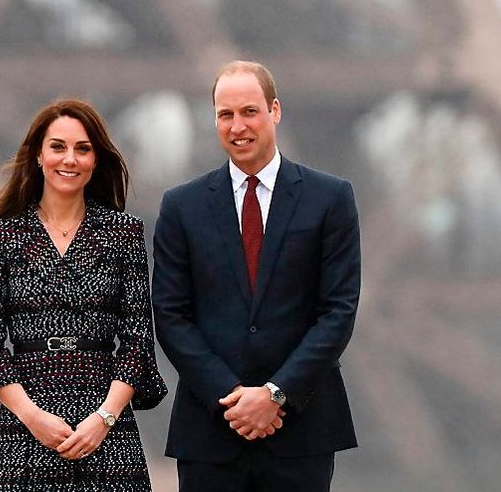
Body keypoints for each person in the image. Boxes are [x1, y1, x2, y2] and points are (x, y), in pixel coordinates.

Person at [152, 61, 360, 491]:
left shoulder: (331, 198)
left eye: (249, 111)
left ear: (275, 111)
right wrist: (232, 398)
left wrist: (275, 394)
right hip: (211, 432)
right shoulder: (181, 207)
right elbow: (171, 316)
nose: (237, 126)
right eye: (225, 115)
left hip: (301, 431)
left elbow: (338, 311)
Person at [0, 99, 167, 492]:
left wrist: (103, 419)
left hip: (106, 425)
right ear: (38, 155)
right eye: (58, 146)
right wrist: (32, 417)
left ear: (96, 159)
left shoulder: (123, 234)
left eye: (83, 148)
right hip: (23, 422)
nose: (69, 159)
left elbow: (138, 342)